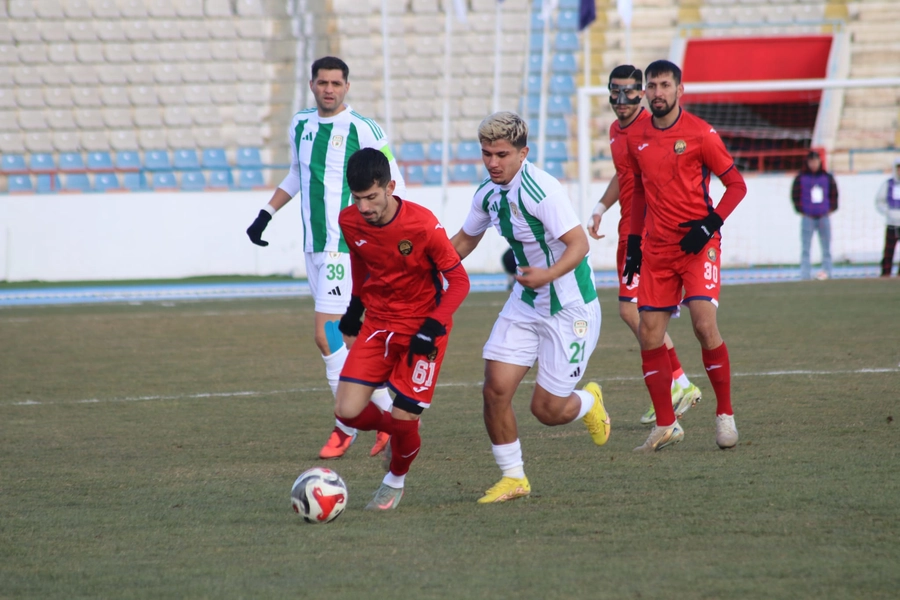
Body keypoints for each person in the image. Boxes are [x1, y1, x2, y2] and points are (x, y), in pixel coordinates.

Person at [245, 56, 405, 459]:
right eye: (322, 82)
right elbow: (297, 174)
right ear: (312, 85)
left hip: (344, 245)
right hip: (314, 245)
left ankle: (346, 427)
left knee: (327, 334)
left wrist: (387, 236)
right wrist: (266, 213)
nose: (329, 89)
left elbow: (394, 182)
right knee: (348, 338)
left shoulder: (363, 128)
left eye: (336, 83)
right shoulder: (300, 124)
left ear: (347, 86)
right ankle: (388, 418)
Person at [451, 111, 610, 504]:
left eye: (501, 154)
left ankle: (589, 401)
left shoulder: (542, 190)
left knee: (548, 410)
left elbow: (579, 244)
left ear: (523, 153)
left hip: (570, 306)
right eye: (486, 153)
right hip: (525, 302)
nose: (492, 163)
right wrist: (422, 268)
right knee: (495, 389)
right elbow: (464, 241)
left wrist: (547, 275)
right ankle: (513, 477)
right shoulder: (487, 193)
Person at [333, 148, 470, 510]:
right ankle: (397, 432)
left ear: (390, 187)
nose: (364, 207)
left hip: (423, 327)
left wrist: (433, 325)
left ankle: (394, 481)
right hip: (379, 323)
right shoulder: (349, 221)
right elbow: (361, 263)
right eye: (357, 198)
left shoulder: (422, 225)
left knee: (405, 415)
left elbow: (459, 281)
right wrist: (354, 308)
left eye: (371, 197)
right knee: (346, 411)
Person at [621, 60, 747, 452]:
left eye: (664, 85)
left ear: (679, 90)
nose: (657, 92)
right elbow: (638, 192)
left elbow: (736, 185)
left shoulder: (700, 133)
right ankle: (666, 424)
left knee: (703, 325)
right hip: (657, 249)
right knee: (649, 334)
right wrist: (634, 245)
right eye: (652, 86)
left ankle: (724, 415)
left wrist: (710, 225)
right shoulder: (636, 136)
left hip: (698, 245)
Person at [587, 64, 703, 426]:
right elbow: (625, 175)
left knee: (633, 311)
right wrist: (600, 208)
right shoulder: (615, 131)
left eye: (630, 91)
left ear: (641, 93)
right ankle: (677, 384)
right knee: (635, 313)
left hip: (648, 234)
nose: (622, 99)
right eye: (615, 91)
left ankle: (678, 384)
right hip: (628, 229)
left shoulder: (650, 128)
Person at [791, 150, 839, 280]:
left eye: (815, 161)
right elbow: (795, 195)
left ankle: (827, 273)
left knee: (826, 248)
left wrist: (831, 208)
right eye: (811, 162)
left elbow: (834, 194)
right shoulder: (801, 177)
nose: (813, 164)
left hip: (823, 217)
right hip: (808, 218)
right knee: (805, 248)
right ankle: (805, 275)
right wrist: (800, 209)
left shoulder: (827, 177)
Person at [875, 157, 900, 276]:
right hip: (892, 223)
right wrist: (888, 212)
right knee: (889, 251)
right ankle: (885, 273)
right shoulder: (888, 184)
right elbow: (879, 201)